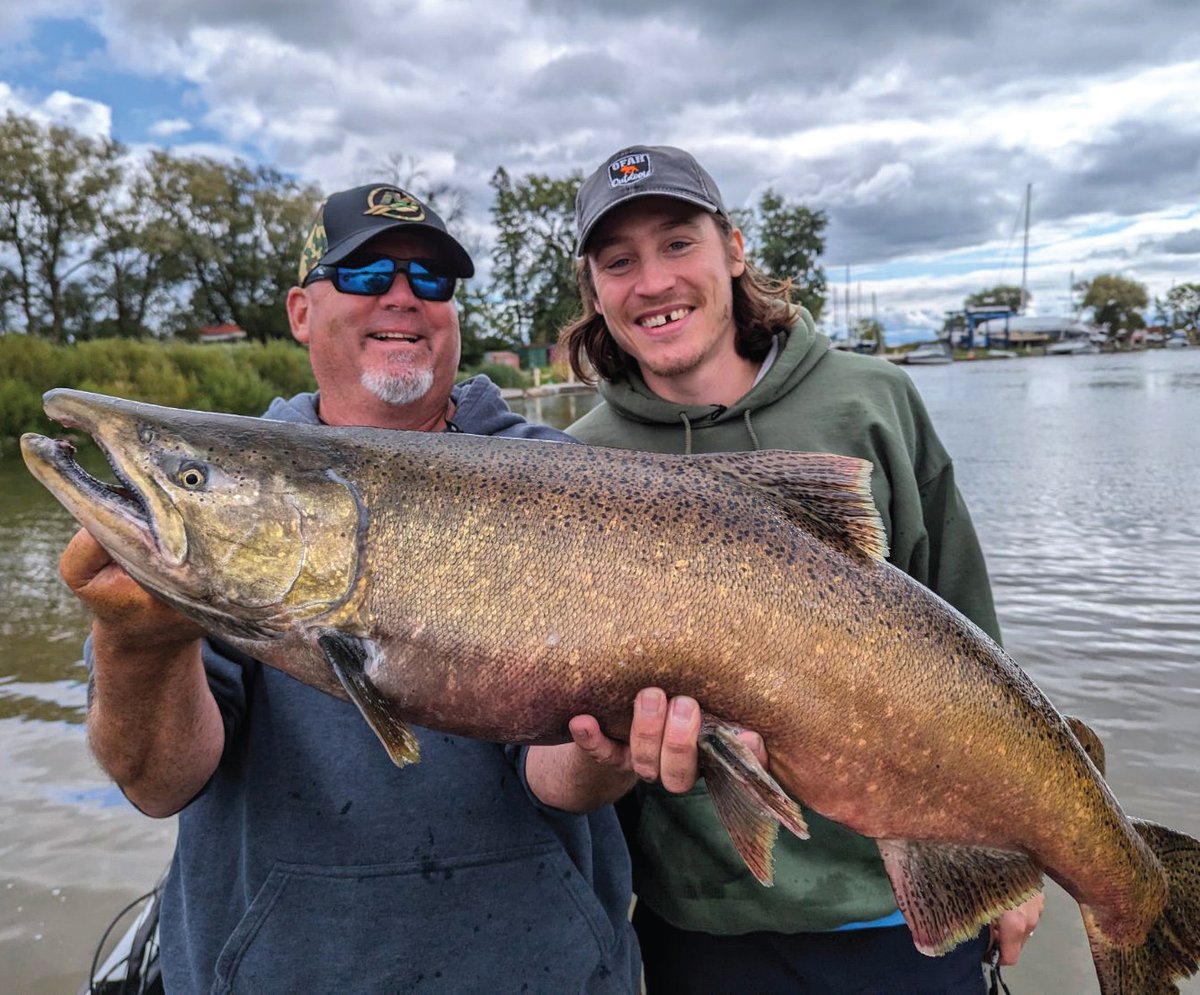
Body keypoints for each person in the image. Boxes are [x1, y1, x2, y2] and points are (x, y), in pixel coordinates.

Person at [61, 182, 699, 994]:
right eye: (365, 273)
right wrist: (135, 642)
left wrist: (608, 747)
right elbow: (157, 781)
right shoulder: (227, 496)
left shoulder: (563, 481)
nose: (403, 296)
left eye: (431, 279)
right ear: (301, 310)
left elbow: (553, 777)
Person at [559, 145, 1045, 994]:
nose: (653, 280)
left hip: (907, 911)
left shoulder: (873, 399)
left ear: (734, 249)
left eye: (678, 242)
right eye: (619, 261)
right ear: (595, 291)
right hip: (702, 923)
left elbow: (974, 640)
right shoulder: (574, 465)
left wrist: (1016, 853)